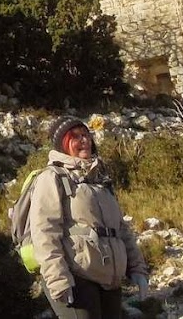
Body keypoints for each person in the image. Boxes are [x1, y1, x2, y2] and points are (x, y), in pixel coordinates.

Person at [30, 116, 150, 319]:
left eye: (86, 135)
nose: (84, 140)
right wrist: (58, 279)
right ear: (63, 144)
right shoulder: (52, 178)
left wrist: (138, 269)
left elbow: (120, 230)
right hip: (77, 276)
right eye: (75, 137)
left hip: (110, 279)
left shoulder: (101, 180)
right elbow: (45, 232)